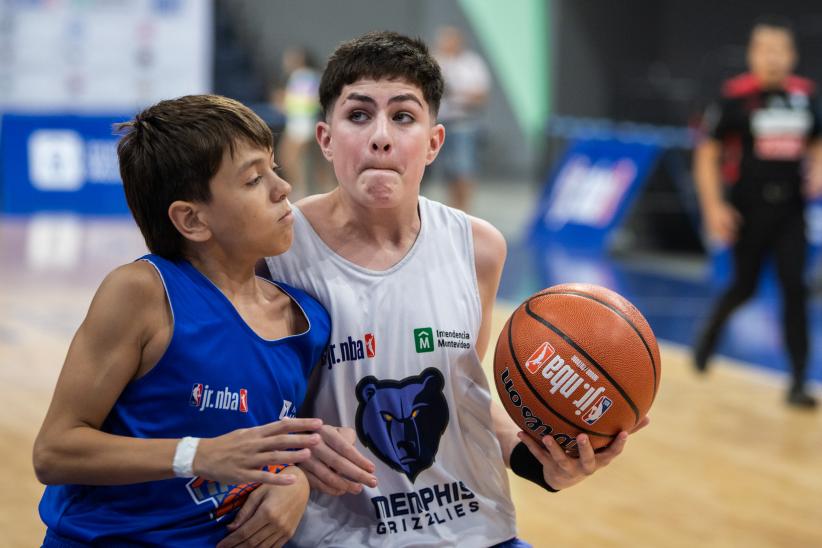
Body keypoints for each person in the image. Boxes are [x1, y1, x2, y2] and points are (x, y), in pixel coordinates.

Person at [252, 31, 647, 547]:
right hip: (340, 536)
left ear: (434, 142)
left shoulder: (479, 247)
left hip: (478, 531)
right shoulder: (277, 251)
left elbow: (467, 404)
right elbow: (244, 418)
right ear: (325, 138)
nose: (381, 137)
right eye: (358, 115)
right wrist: (291, 464)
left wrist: (543, 463)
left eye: (403, 116)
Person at [32, 94, 331, 546]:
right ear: (191, 219)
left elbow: (287, 447)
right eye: (254, 179)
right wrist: (197, 455)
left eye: (274, 167)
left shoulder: (309, 319)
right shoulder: (143, 293)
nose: (282, 187)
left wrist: (297, 479)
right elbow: (54, 451)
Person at [693, 16, 822, 408]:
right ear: (752, 54)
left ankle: (799, 380)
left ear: (793, 55)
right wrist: (715, 207)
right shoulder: (734, 99)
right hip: (747, 210)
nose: (773, 58)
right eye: (765, 50)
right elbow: (707, 154)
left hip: (790, 212)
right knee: (744, 286)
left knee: (794, 290)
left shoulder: (805, 97)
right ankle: (711, 332)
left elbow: (817, 142)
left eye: (780, 50)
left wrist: (817, 168)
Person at [433, 26, 491, 212]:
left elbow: (481, 95)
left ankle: (465, 210)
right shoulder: (436, 61)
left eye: (450, 40)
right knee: (448, 171)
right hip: (440, 121)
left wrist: (455, 92)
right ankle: (453, 208)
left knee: (464, 168)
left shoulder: (472, 63)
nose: (446, 44)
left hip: (463, 122)